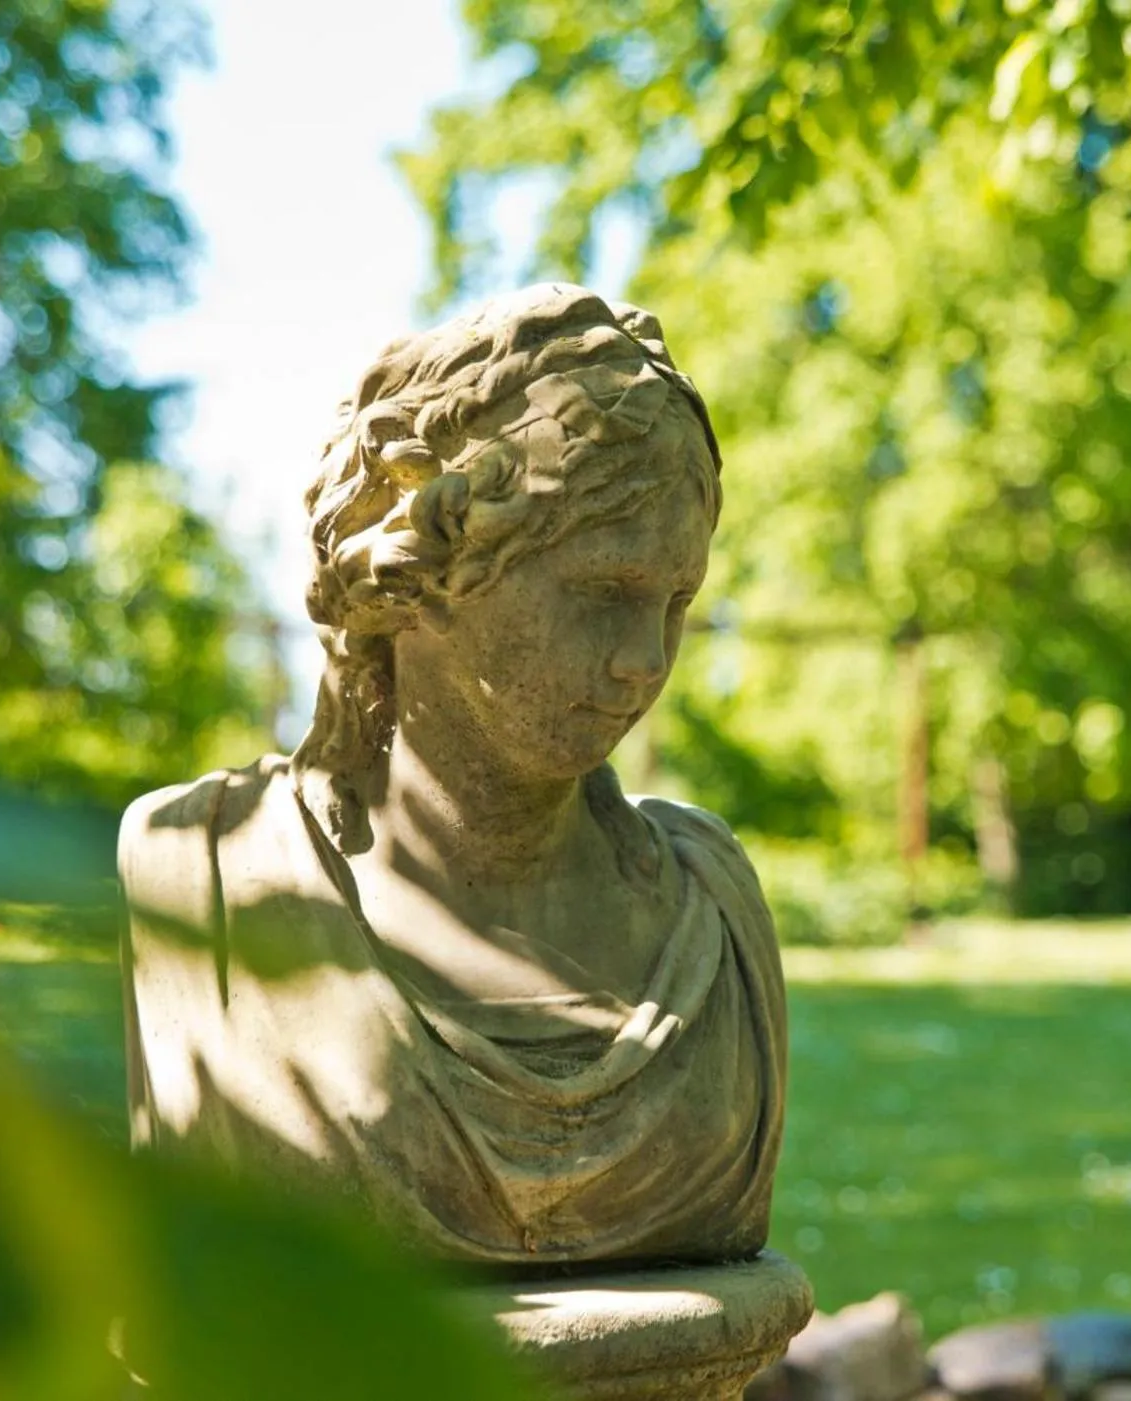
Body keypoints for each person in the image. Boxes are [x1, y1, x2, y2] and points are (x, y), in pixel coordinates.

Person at [117, 284, 787, 1270]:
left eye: (677, 600)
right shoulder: (207, 869)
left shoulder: (711, 903)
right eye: (602, 594)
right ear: (417, 575)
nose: (646, 657)